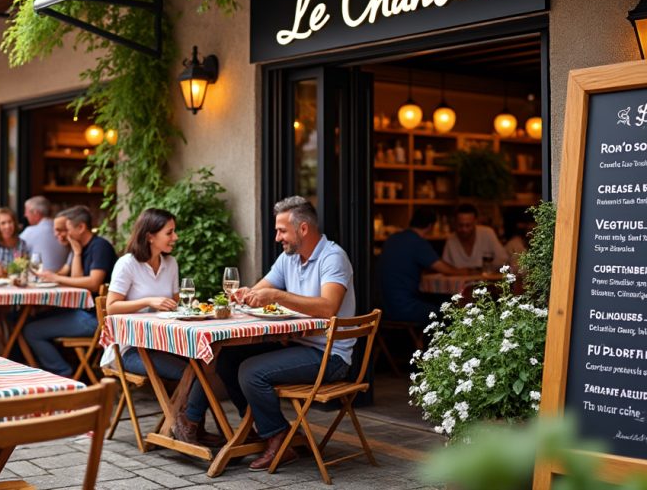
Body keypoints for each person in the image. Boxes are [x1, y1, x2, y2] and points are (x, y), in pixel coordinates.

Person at [177, 196, 355, 470]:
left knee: (252, 371)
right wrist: (245, 294)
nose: (277, 237)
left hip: (329, 356)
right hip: (296, 346)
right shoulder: (289, 258)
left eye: (282, 230)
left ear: (303, 229)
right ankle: (256, 428)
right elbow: (261, 290)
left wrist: (277, 295)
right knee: (226, 359)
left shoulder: (333, 258)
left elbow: (328, 307)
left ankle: (277, 437)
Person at [103, 208, 220, 443]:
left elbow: (176, 302)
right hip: (131, 349)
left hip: (164, 343)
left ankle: (192, 425)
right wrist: (148, 301)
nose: (175, 237)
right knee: (193, 371)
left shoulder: (171, 263)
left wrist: (189, 306)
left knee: (208, 363)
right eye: (170, 232)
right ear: (150, 236)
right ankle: (185, 427)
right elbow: (111, 307)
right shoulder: (127, 264)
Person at [24, 205, 116, 376]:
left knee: (31, 331)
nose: (64, 234)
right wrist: (77, 253)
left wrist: (56, 278)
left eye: (67, 229)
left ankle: (63, 373)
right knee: (28, 320)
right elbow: (76, 280)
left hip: (96, 319)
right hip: (83, 312)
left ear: (81, 227)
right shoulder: (81, 248)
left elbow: (94, 283)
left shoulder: (100, 247)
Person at [376, 209, 464, 324]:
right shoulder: (417, 242)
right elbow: (444, 269)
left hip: (382, 306)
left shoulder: (393, 238)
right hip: (404, 308)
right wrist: (467, 271)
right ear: (430, 226)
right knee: (448, 311)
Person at [442, 204, 508, 271]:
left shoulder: (488, 233)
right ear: (455, 223)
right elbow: (445, 267)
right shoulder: (451, 240)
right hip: (461, 280)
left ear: (475, 222)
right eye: (460, 225)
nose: (464, 229)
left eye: (468, 225)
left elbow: (503, 259)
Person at [19, 196, 67, 272]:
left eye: (27, 212)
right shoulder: (64, 231)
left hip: (41, 279)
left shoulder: (30, 232)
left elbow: (15, 254)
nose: (25, 215)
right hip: (62, 278)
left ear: (36, 213)